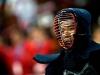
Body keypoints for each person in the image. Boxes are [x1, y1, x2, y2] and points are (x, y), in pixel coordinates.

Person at [33, 8, 100, 75]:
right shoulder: (56, 65)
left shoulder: (96, 56)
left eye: (70, 28)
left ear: (82, 29)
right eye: (62, 30)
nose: (65, 34)